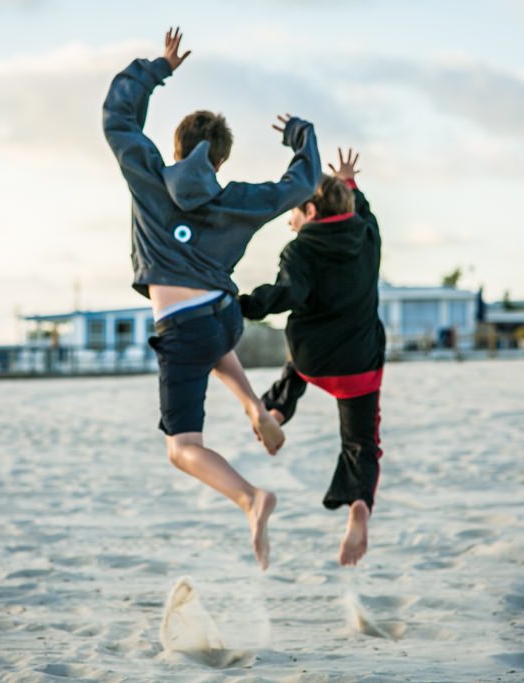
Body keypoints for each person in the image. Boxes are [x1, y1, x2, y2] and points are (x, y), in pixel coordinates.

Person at [103, 28, 322, 570]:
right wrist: (301, 135)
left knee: (181, 449)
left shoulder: (150, 176)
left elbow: (116, 118)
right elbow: (299, 185)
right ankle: (253, 405)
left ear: (176, 148)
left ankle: (251, 498)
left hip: (183, 327)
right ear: (219, 162)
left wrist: (159, 68)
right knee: (212, 343)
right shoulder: (238, 201)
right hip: (226, 322)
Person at [239, 149, 384, 567]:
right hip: (360, 366)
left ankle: (277, 411)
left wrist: (241, 305)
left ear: (310, 208)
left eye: (293, 210)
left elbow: (286, 296)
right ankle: (358, 508)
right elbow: (366, 212)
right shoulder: (368, 234)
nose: (289, 219)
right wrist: (349, 183)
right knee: (362, 444)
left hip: (312, 359)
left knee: (295, 368)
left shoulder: (301, 249)